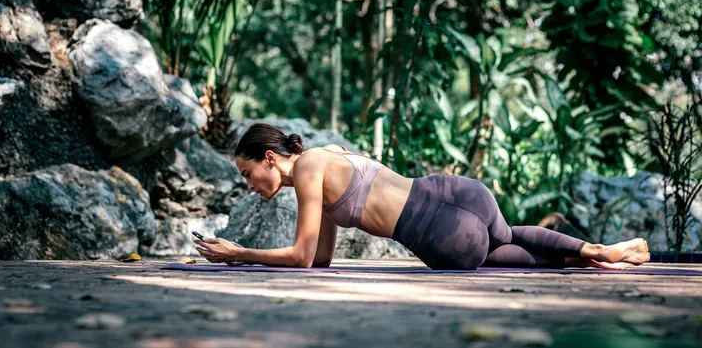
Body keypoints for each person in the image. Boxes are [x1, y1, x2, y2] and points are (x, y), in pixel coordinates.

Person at [193, 123, 651, 270]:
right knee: (507, 236)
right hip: (456, 190)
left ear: (271, 158)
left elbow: (301, 255)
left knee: (495, 252)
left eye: (249, 173)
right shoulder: (322, 159)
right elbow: (320, 259)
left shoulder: (309, 172)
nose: (251, 185)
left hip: (438, 232)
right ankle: (596, 251)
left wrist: (238, 253)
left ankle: (596, 254)